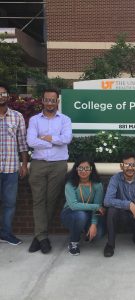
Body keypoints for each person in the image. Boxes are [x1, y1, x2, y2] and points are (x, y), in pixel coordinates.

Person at [27, 88, 72, 254]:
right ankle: (42, 237)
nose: (50, 103)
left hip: (58, 164)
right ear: (42, 100)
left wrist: (48, 138)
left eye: (53, 100)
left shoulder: (65, 120)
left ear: (57, 102)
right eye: (47, 100)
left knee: (51, 200)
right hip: (38, 163)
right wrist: (53, 142)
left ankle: (39, 236)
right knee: (38, 200)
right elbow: (31, 141)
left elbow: (67, 139)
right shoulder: (34, 120)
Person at [103, 153, 135, 257]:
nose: (130, 168)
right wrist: (128, 204)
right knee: (111, 211)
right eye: (126, 165)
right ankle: (110, 244)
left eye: (133, 165)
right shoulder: (115, 178)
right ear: (121, 166)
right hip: (121, 214)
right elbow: (107, 201)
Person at [0, 83, 28, 245]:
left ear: (8, 96)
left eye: (3, 93)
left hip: (11, 168)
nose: (1, 96)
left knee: (10, 203)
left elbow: (22, 143)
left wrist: (24, 164)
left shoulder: (17, 116)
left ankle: (6, 233)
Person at [61, 156, 105, 255]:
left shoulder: (97, 185)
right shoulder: (70, 183)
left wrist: (93, 224)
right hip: (70, 214)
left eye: (86, 168)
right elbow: (73, 206)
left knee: (98, 235)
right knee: (81, 215)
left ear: (91, 170)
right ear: (76, 169)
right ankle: (73, 242)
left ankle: (84, 230)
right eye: (80, 168)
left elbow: (98, 207)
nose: (83, 171)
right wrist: (95, 206)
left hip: (90, 214)